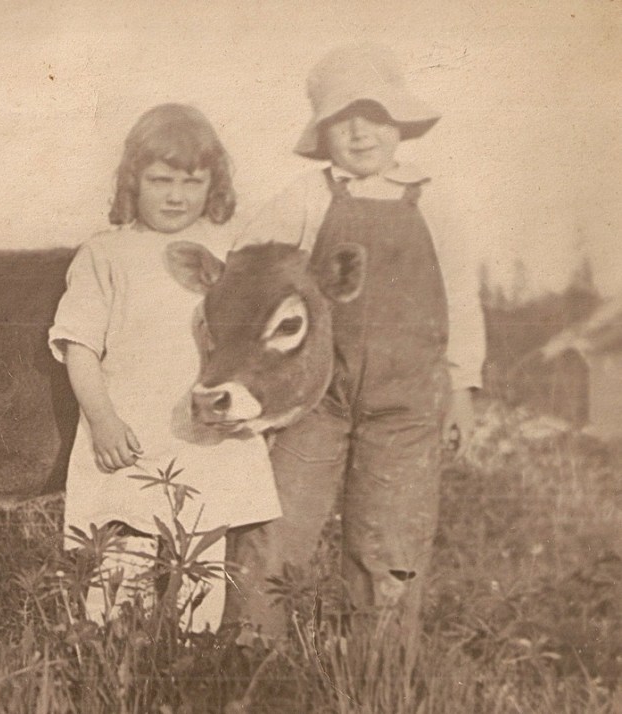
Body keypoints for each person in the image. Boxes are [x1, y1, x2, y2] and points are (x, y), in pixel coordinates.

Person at [225, 44, 486, 657]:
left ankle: (379, 677)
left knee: (390, 542)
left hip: (409, 405)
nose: (360, 131)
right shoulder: (308, 195)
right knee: (276, 528)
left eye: (374, 116)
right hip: (318, 398)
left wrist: (463, 391)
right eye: (343, 119)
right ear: (323, 132)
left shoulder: (435, 200)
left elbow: (461, 299)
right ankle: (250, 665)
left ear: (399, 126)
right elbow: (246, 268)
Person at [49, 103, 281, 632]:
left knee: (201, 568)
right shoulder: (105, 254)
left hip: (207, 438)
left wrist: (248, 408)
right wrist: (103, 419)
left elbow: (253, 342)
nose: (176, 196)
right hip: (129, 437)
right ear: (133, 181)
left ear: (212, 184)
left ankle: (187, 671)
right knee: (120, 570)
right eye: (160, 180)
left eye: (191, 181)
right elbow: (78, 344)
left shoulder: (229, 251)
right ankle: (115, 671)